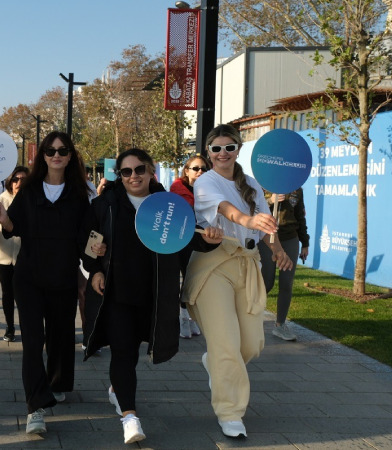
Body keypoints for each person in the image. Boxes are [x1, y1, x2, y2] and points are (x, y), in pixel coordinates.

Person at [81, 148, 222, 444]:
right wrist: (94, 267)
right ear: (119, 175)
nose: (134, 176)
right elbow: (87, 244)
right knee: (122, 352)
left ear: (151, 170)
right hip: (116, 293)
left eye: (139, 169)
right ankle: (130, 418)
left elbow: (188, 240)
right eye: (126, 171)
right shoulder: (105, 204)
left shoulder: (169, 204)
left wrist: (210, 240)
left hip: (154, 293)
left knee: (132, 352)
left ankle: (117, 390)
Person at [183, 124, 293, 439]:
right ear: (208, 152)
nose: (223, 153)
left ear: (238, 150)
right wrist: (247, 219)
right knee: (226, 344)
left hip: (248, 263)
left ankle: (215, 362)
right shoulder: (206, 181)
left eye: (229, 147)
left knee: (252, 344)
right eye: (216, 148)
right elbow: (226, 210)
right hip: (213, 264)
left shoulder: (252, 185)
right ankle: (230, 413)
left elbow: (265, 225)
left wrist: (277, 249)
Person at [0, 131, 91, 435]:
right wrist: (3, 218)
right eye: (50, 150)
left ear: (70, 156)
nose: (56, 155)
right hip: (30, 278)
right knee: (33, 342)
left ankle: (57, 382)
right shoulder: (30, 190)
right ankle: (35, 407)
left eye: (62, 150)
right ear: (42, 156)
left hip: (63, 277)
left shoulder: (79, 194)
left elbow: (87, 236)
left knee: (60, 337)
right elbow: (13, 227)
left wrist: (95, 258)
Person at [258, 187, 309, 341]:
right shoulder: (261, 185)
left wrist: (305, 243)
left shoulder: (297, 189)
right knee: (266, 282)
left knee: (286, 283)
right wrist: (270, 201)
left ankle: (280, 325)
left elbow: (300, 217)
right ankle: (249, 317)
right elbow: (252, 209)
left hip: (290, 238)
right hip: (268, 238)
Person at [170, 155, 211, 339]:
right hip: (182, 240)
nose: (200, 171)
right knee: (187, 279)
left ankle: (193, 317)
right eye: (195, 168)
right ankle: (184, 317)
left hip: (203, 240)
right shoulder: (177, 190)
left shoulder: (210, 189)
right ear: (186, 171)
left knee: (198, 280)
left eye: (204, 168)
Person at [0, 165, 29, 342]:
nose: (19, 183)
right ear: (9, 182)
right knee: (7, 293)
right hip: (2, 256)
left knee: (25, 294)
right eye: (15, 179)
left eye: (23, 179)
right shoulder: (0, 200)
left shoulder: (32, 199)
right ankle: (10, 327)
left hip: (25, 256)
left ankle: (28, 327)